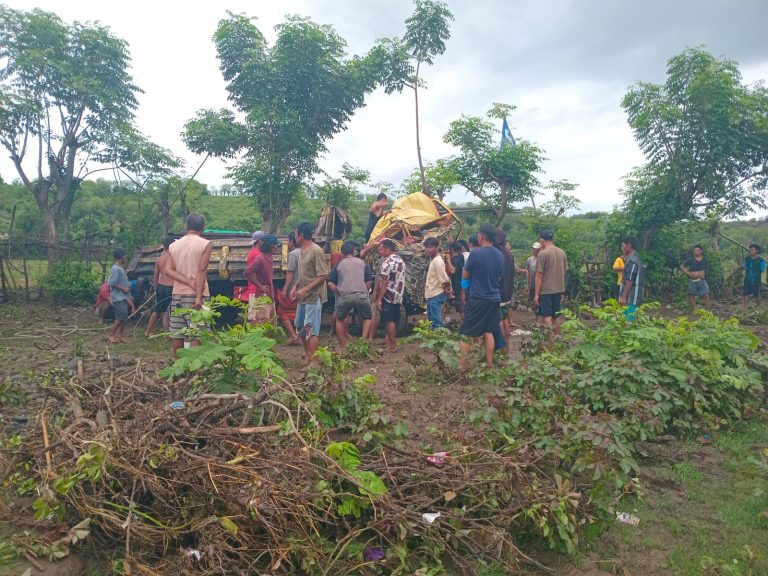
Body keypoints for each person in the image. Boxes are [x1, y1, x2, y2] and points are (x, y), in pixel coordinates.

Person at [167, 213, 213, 357]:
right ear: (203, 228)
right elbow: (201, 270)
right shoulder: (205, 244)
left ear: (186, 226)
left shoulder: (173, 245)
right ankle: (194, 369)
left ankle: (177, 367)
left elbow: (168, 270)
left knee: (177, 333)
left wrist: (187, 281)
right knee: (196, 334)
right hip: (196, 295)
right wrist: (198, 296)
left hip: (177, 295)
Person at [459, 225, 503, 371]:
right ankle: (490, 364)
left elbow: (465, 275)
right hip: (494, 298)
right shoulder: (499, 254)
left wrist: (464, 289)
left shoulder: (476, 254)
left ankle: (462, 366)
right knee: (489, 331)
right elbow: (499, 276)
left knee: (467, 333)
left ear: (481, 237)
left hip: (478, 298)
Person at [291, 222, 330, 364]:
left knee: (310, 329)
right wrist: (296, 286)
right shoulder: (302, 250)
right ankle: (308, 355)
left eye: (296, 234)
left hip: (313, 297)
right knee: (300, 326)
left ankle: (314, 362)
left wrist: (306, 288)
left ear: (301, 235)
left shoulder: (316, 250)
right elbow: (304, 274)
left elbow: (323, 275)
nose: (295, 236)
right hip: (303, 296)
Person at [328, 241, 375, 349]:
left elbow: (330, 282)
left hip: (345, 295)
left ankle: (343, 346)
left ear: (342, 253)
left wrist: (337, 291)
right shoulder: (362, 263)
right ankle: (363, 341)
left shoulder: (339, 265)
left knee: (340, 319)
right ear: (353, 252)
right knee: (368, 317)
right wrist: (365, 291)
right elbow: (369, 280)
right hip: (361, 295)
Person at [373, 239, 406, 352]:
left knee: (388, 320)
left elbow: (384, 283)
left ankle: (392, 345)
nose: (380, 252)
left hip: (389, 295)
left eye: (381, 249)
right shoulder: (400, 260)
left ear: (387, 249)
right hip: (398, 294)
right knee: (394, 319)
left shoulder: (387, 263)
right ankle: (389, 342)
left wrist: (379, 299)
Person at [534, 230, 568, 335]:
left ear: (542, 240)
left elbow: (539, 275)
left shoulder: (543, 254)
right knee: (555, 316)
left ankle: (549, 343)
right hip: (558, 289)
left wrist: (536, 294)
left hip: (546, 290)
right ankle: (557, 340)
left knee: (546, 316)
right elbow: (564, 271)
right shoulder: (562, 252)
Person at [243, 234, 280, 320]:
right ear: (270, 245)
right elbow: (247, 272)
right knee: (260, 323)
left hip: (269, 295)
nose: (277, 247)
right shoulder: (260, 258)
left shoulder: (269, 258)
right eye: (275, 244)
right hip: (261, 296)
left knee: (269, 325)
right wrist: (260, 285)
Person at [145, 237, 175, 337]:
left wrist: (156, 290)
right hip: (171, 287)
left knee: (158, 310)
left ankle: (148, 331)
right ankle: (167, 334)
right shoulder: (174, 258)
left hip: (161, 287)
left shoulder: (159, 259)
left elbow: (155, 278)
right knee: (169, 311)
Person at [495, 229, 516, 353]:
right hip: (507, 292)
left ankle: (501, 348)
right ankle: (506, 348)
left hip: (498, 292)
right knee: (504, 319)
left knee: (498, 322)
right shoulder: (508, 254)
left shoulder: (497, 254)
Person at [423, 237, 452, 329]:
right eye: (426, 247)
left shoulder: (437, 261)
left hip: (436, 294)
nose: (427, 250)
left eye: (430, 247)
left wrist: (447, 290)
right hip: (431, 295)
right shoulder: (433, 260)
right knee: (432, 322)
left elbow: (445, 279)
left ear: (437, 248)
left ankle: (440, 342)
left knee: (436, 323)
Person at [278, 233, 301, 344]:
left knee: (282, 311)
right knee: (299, 310)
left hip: (293, 289)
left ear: (292, 241)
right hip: (303, 287)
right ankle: (301, 335)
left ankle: (294, 336)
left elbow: (290, 273)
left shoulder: (293, 254)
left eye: (288, 241)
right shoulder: (306, 251)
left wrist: (285, 289)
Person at [107, 248, 132, 344]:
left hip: (123, 296)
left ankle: (120, 335)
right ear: (122, 257)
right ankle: (111, 334)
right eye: (125, 256)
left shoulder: (120, 268)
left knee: (123, 316)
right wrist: (123, 288)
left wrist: (127, 286)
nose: (125, 258)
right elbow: (111, 283)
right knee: (120, 316)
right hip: (118, 296)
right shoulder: (115, 269)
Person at [234, 231, 264, 302]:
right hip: (256, 289)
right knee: (256, 310)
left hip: (254, 287)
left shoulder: (252, 252)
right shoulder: (257, 254)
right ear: (259, 241)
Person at [619, 236, 644, 320]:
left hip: (631, 299)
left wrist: (623, 297)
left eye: (622, 246)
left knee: (627, 324)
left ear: (629, 246)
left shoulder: (632, 261)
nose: (621, 248)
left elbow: (630, 280)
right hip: (633, 298)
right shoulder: (636, 259)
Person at [680, 244, 711, 310]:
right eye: (695, 250)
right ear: (693, 251)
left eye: (698, 250)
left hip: (701, 280)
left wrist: (701, 274)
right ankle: (695, 309)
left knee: (706, 294)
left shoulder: (705, 260)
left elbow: (705, 269)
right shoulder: (690, 259)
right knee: (692, 294)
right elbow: (682, 266)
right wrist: (688, 273)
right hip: (692, 280)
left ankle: (708, 311)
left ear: (701, 251)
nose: (696, 252)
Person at [448, 242, 465, 318]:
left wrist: (448, 260)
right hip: (461, 281)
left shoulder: (454, 259)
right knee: (462, 301)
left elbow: (452, 271)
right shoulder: (461, 256)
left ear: (452, 249)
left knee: (459, 304)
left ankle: (463, 319)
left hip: (456, 283)